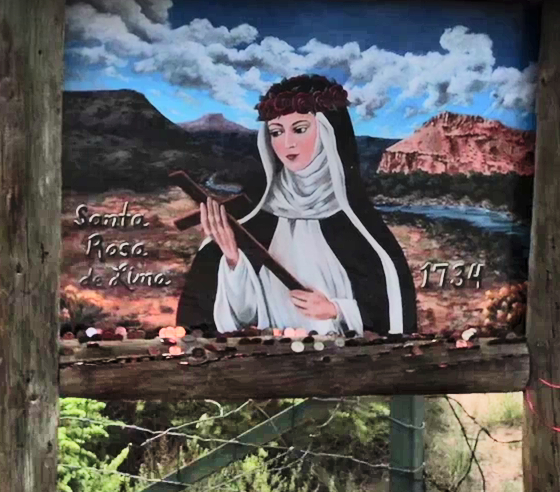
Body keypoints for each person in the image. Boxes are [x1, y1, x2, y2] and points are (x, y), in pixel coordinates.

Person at [173, 74, 417, 336]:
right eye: (276, 132)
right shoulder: (255, 218)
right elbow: (238, 320)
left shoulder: (359, 227)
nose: (287, 143)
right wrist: (233, 261)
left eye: (299, 129)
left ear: (328, 133)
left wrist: (336, 310)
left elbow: (391, 315)